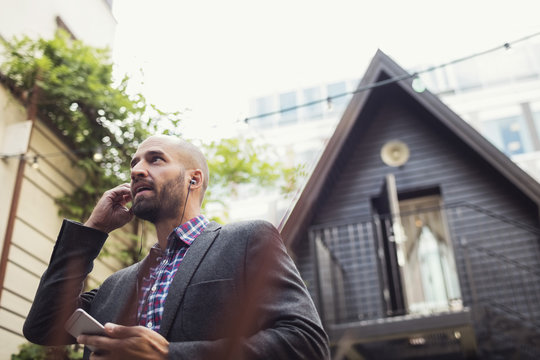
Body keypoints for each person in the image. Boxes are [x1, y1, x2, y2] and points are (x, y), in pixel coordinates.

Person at [23, 135, 330, 360]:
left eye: (155, 159)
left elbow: (305, 344)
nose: (137, 171)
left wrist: (169, 355)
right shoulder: (115, 285)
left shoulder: (248, 240)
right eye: (134, 164)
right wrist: (93, 230)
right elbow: (43, 326)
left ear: (193, 180)